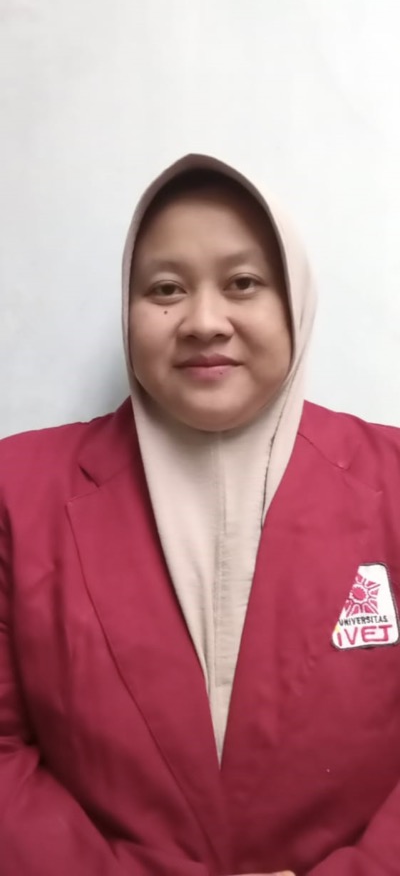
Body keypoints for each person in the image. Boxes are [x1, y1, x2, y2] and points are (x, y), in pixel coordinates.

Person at [1, 152, 399, 876]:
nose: (204, 322)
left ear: (295, 299)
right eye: (165, 289)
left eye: (243, 283)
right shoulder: (16, 489)